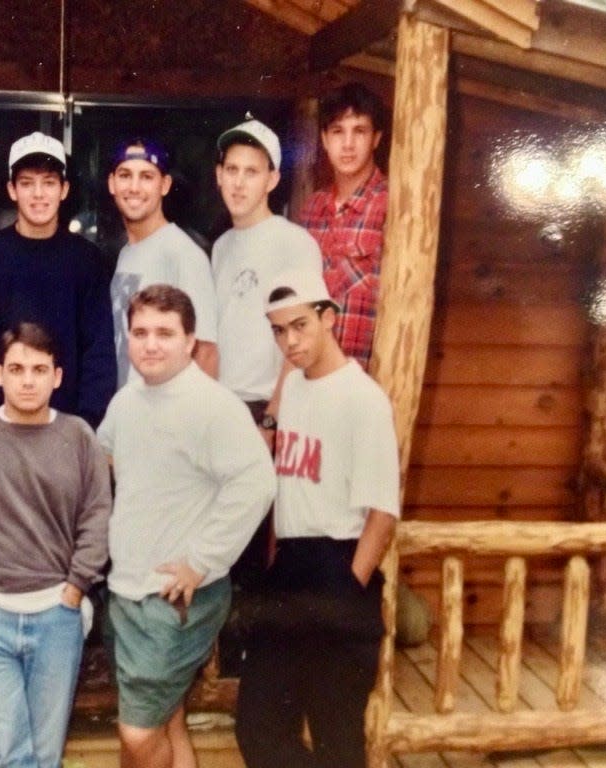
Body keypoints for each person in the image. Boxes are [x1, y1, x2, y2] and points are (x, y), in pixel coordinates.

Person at [98, 284, 275, 768]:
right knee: (167, 715)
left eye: (164, 333)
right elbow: (106, 461)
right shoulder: (127, 400)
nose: (150, 344)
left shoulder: (213, 406)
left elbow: (256, 484)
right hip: (127, 589)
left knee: (137, 733)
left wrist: (200, 562)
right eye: (140, 332)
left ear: (190, 341)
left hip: (175, 599)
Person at [234, 268, 400, 768]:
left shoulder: (364, 399)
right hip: (290, 568)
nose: (290, 340)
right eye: (279, 330)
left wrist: (347, 593)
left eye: (301, 325)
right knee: (258, 727)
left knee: (336, 735)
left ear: (329, 318)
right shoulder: (297, 389)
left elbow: (382, 515)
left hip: (340, 566)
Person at [0, 321, 111, 768]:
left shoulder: (78, 437)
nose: (27, 379)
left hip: (57, 614)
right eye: (16, 368)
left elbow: (97, 517)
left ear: (57, 376)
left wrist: (74, 591)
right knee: (5, 755)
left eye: (38, 368)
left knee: (44, 756)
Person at [0, 130, 116, 429]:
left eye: (48, 183)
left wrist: (87, 426)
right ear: (12, 189)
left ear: (64, 189)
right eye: (27, 183)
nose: (38, 194)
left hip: (66, 432)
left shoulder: (87, 261)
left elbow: (98, 354)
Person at [211, 116, 321, 443]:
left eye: (252, 172)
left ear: (272, 180)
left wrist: (272, 418)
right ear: (219, 175)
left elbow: (304, 338)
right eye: (232, 170)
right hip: (222, 408)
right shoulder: (221, 246)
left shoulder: (293, 243)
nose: (239, 183)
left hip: (266, 412)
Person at [107, 137, 218, 387]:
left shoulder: (182, 253)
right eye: (125, 175)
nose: (134, 187)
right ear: (112, 183)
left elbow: (206, 351)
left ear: (165, 185)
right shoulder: (126, 252)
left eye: (147, 177)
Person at [298, 82, 389, 370]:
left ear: (376, 138)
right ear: (324, 139)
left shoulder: (393, 205)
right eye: (338, 131)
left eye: (359, 131)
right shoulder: (312, 208)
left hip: (362, 384)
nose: (347, 144)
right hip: (309, 379)